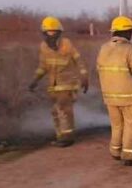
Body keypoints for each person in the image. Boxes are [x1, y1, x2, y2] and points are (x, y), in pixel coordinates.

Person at [28, 16, 89, 147]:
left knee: (64, 110)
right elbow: (42, 66)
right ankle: (61, 135)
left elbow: (79, 60)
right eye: (49, 32)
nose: (52, 35)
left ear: (59, 32)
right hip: (53, 86)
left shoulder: (67, 44)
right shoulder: (44, 47)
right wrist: (35, 80)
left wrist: (84, 77)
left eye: (54, 32)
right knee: (56, 112)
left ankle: (67, 137)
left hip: (67, 84)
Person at [96, 16, 132, 166]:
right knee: (131, 125)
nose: (131, 35)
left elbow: (99, 70)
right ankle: (128, 155)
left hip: (110, 97)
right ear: (126, 32)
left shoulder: (104, 48)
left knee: (117, 125)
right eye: (130, 32)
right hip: (129, 96)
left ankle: (115, 151)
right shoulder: (129, 49)